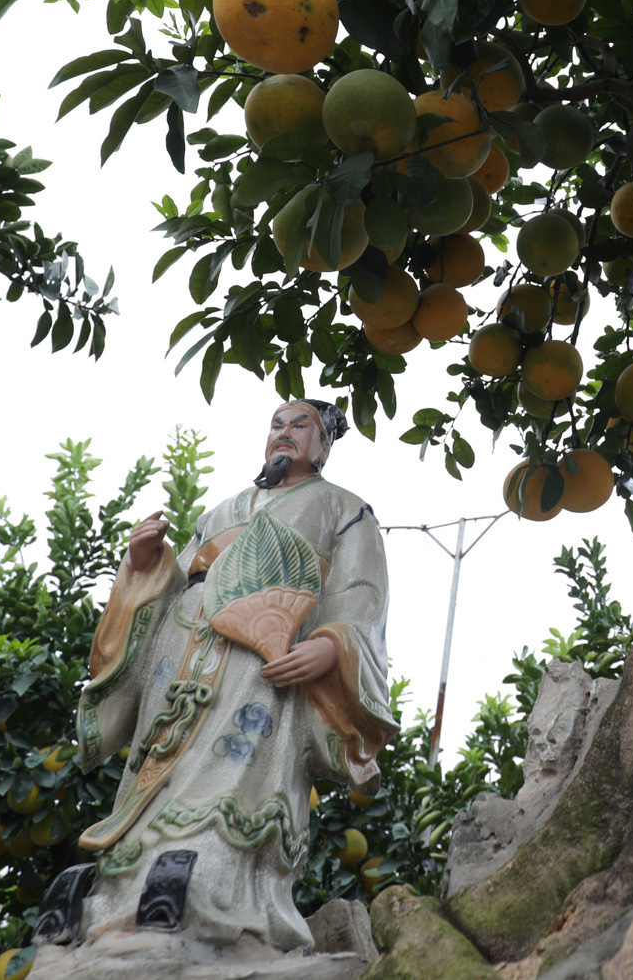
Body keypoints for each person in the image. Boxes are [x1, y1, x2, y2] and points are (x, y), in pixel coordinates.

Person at [36, 399, 397, 952]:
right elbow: (178, 578)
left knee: (238, 766)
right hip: (181, 646)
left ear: (325, 445)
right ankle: (117, 891)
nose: (285, 434)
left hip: (264, 656)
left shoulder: (344, 509)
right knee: (158, 756)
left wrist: (332, 646)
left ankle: (215, 887)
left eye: (302, 426)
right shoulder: (222, 509)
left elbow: (362, 593)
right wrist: (144, 563)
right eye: (277, 424)